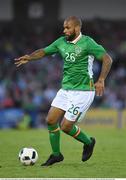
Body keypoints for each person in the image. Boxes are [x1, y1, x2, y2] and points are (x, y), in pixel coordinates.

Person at [15, 16, 112, 166]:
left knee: (66, 126)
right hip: (65, 90)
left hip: (84, 91)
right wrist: (30, 57)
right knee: (51, 120)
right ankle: (56, 155)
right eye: (64, 27)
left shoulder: (88, 43)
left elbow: (107, 59)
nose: (64, 30)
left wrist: (101, 80)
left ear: (77, 28)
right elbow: (44, 51)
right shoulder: (61, 42)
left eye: (68, 27)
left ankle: (88, 142)